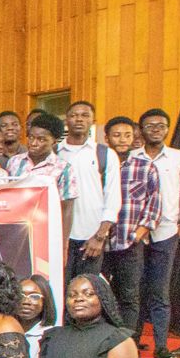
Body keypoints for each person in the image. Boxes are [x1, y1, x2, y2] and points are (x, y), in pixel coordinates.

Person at [135, 109, 180, 358]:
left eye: (161, 125)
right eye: (149, 125)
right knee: (134, 288)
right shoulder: (131, 157)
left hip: (166, 231)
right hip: (136, 232)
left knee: (160, 289)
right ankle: (132, 341)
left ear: (167, 129)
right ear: (141, 130)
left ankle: (161, 345)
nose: (155, 129)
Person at [99, 117, 160, 333]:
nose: (123, 140)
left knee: (129, 295)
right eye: (117, 135)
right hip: (100, 242)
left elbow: (154, 202)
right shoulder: (98, 166)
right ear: (106, 138)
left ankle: (129, 344)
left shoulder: (145, 167)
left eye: (127, 135)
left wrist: (140, 232)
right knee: (100, 294)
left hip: (130, 240)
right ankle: (103, 341)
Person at [56, 101, 120, 281]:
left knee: (86, 291)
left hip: (90, 238)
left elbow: (113, 199)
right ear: (66, 120)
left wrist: (100, 236)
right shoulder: (55, 153)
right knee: (59, 292)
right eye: (74, 115)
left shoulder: (105, 154)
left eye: (85, 115)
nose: (79, 119)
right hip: (60, 237)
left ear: (92, 120)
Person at [7, 113, 77, 235]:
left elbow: (67, 209)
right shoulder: (15, 162)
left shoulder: (63, 168)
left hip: (46, 231)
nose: (33, 143)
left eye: (41, 139)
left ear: (54, 141)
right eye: (31, 137)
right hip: (14, 229)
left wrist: (63, 243)